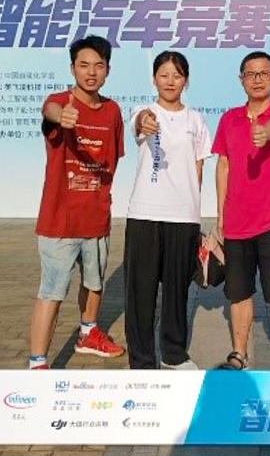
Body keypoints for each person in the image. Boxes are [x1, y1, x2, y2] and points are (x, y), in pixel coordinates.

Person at [28, 35, 126, 370]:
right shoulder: (60, 102)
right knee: (52, 291)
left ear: (107, 70)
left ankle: (88, 333)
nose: (91, 72)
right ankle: (38, 364)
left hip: (96, 218)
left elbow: (113, 159)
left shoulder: (112, 111)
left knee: (94, 282)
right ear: (72, 68)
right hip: (59, 221)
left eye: (98, 65)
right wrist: (62, 117)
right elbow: (50, 111)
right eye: (84, 65)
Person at [212, 51, 270, 370]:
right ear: (241, 80)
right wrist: (220, 215)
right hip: (237, 222)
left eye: (264, 73)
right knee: (238, 293)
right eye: (251, 74)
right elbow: (223, 165)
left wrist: (267, 131)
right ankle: (239, 353)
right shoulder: (229, 119)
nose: (258, 79)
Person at [124, 51, 212, 370]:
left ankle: (173, 355)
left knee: (177, 290)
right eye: (164, 75)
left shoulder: (195, 120)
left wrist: (195, 213)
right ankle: (141, 360)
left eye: (177, 75)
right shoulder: (144, 112)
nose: (170, 81)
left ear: (186, 80)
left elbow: (198, 168)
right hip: (145, 213)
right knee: (141, 291)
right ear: (154, 79)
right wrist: (146, 123)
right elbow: (140, 123)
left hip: (183, 216)